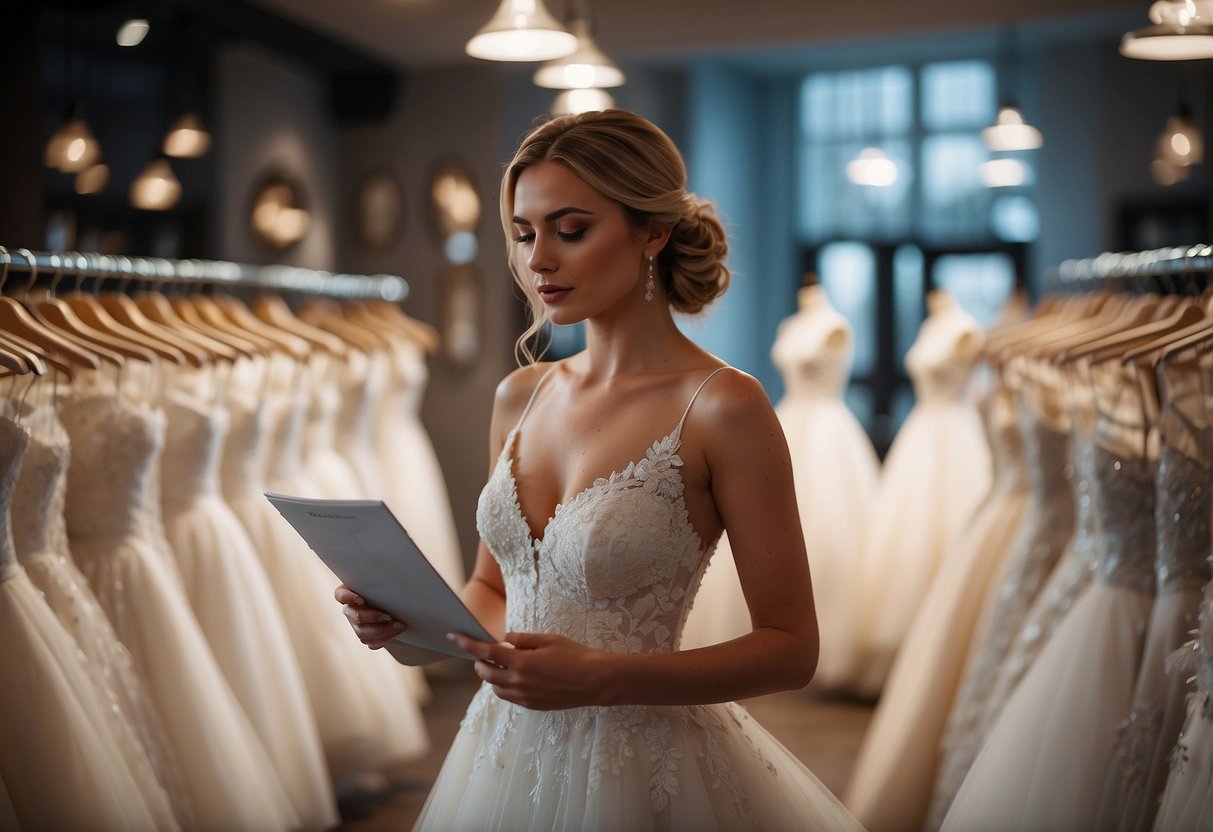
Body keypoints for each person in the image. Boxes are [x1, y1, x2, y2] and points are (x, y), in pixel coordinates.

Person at [335, 109, 864, 831]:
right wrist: (412, 625)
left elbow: (790, 649)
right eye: (524, 235)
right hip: (499, 755)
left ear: (653, 232)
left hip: (642, 767)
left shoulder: (721, 406)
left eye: (570, 229)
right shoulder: (520, 395)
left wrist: (605, 675)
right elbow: (495, 588)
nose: (538, 261)